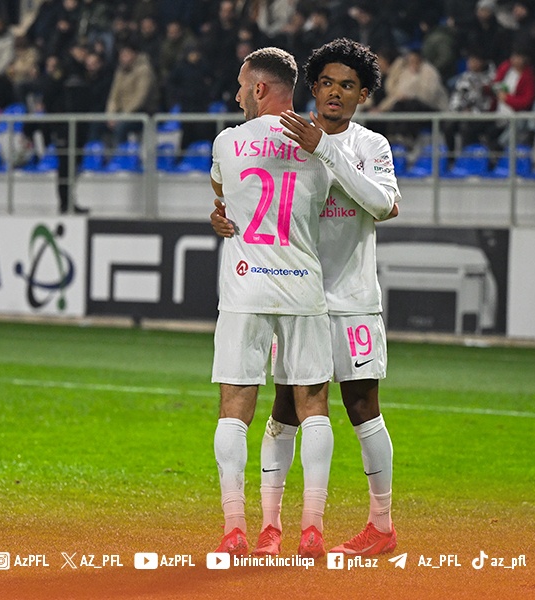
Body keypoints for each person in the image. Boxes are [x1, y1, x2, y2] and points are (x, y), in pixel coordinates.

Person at [212, 38, 401, 557]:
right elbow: (244, 197)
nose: (335, 93)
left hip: (352, 297)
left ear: (363, 95)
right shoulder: (285, 137)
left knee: (362, 408)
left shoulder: (368, 145)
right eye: (327, 83)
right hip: (298, 294)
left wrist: (327, 149)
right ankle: (272, 527)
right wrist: (224, 216)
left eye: (348, 85)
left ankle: (381, 523)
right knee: (284, 411)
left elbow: (384, 205)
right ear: (312, 87)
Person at [209, 46, 335, 559]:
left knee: (234, 409)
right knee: (313, 407)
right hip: (302, 286)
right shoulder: (319, 143)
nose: (238, 94)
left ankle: (235, 528)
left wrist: (222, 216)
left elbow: (221, 194)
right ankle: (312, 528)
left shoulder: (227, 141)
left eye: (243, 86)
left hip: (245, 290)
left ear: (259, 88)